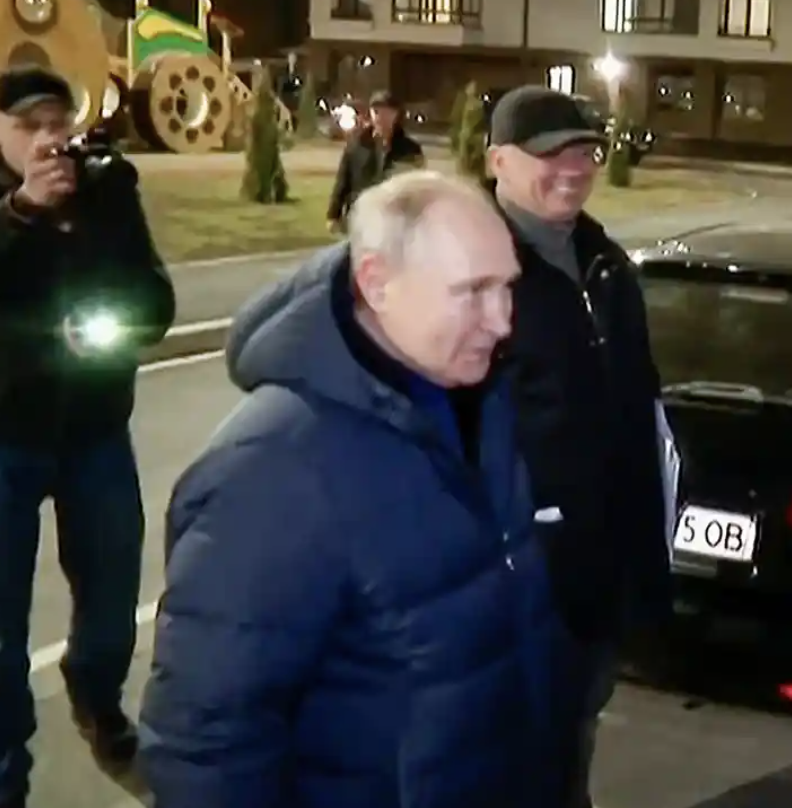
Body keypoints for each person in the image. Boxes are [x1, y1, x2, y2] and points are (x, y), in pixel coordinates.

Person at [138, 171, 566, 808]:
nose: (502, 321)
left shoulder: (481, 402)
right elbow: (207, 742)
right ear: (377, 282)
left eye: (507, 287)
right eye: (474, 291)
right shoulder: (274, 469)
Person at [485, 85, 673, 808]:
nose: (574, 168)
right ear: (498, 161)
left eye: (586, 151)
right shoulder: (473, 272)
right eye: (550, 154)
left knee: (570, 748)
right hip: (516, 584)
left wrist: (646, 577)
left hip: (596, 582)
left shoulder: (606, 266)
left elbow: (638, 419)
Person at [0, 65, 175, 807]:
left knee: (111, 591)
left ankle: (97, 697)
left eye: (57, 121)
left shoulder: (107, 187)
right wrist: (22, 214)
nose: (48, 139)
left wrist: (120, 300)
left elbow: (156, 300)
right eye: (27, 125)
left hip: (95, 428)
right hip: (6, 435)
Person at [325, 89, 425, 233]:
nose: (381, 118)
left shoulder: (410, 150)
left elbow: (418, 189)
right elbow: (343, 180)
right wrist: (333, 214)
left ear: (396, 115)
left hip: (394, 222)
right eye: (376, 112)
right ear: (371, 114)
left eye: (387, 113)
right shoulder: (357, 145)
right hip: (360, 217)